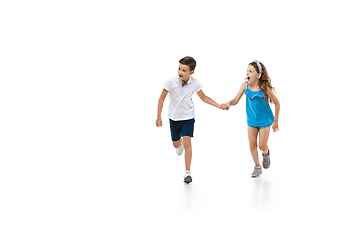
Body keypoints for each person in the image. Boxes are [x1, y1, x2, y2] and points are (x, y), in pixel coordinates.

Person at [156, 56, 223, 183]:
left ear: (191, 72)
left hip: (188, 117)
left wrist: (219, 105)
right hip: (174, 118)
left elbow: (204, 98)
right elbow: (161, 99)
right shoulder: (170, 82)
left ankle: (187, 171)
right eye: (179, 69)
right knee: (176, 144)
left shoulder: (195, 83)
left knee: (188, 142)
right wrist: (158, 116)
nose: (180, 72)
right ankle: (178, 142)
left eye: (184, 70)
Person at [220, 60, 280, 178]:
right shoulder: (244, 86)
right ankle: (257, 166)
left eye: (251, 71)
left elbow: (277, 103)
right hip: (252, 121)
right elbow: (235, 100)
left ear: (258, 75)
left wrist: (276, 121)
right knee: (252, 145)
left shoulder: (265, 88)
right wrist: (228, 103)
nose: (247, 73)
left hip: (264, 120)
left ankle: (265, 152)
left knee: (261, 145)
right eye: (247, 71)